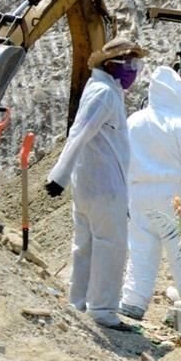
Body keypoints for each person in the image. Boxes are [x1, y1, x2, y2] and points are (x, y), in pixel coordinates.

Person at [45, 37, 147, 331]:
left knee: (86, 247)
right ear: (110, 63)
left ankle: (79, 304)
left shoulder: (103, 90)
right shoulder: (104, 93)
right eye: (130, 62)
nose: (134, 69)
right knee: (109, 247)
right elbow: (79, 133)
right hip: (104, 188)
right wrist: (58, 176)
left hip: (91, 186)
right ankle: (102, 310)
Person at [119, 66, 181, 320]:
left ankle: (133, 300)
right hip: (173, 195)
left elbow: (121, 157)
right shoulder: (180, 126)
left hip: (138, 193)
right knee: (180, 251)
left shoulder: (133, 121)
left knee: (141, 248)